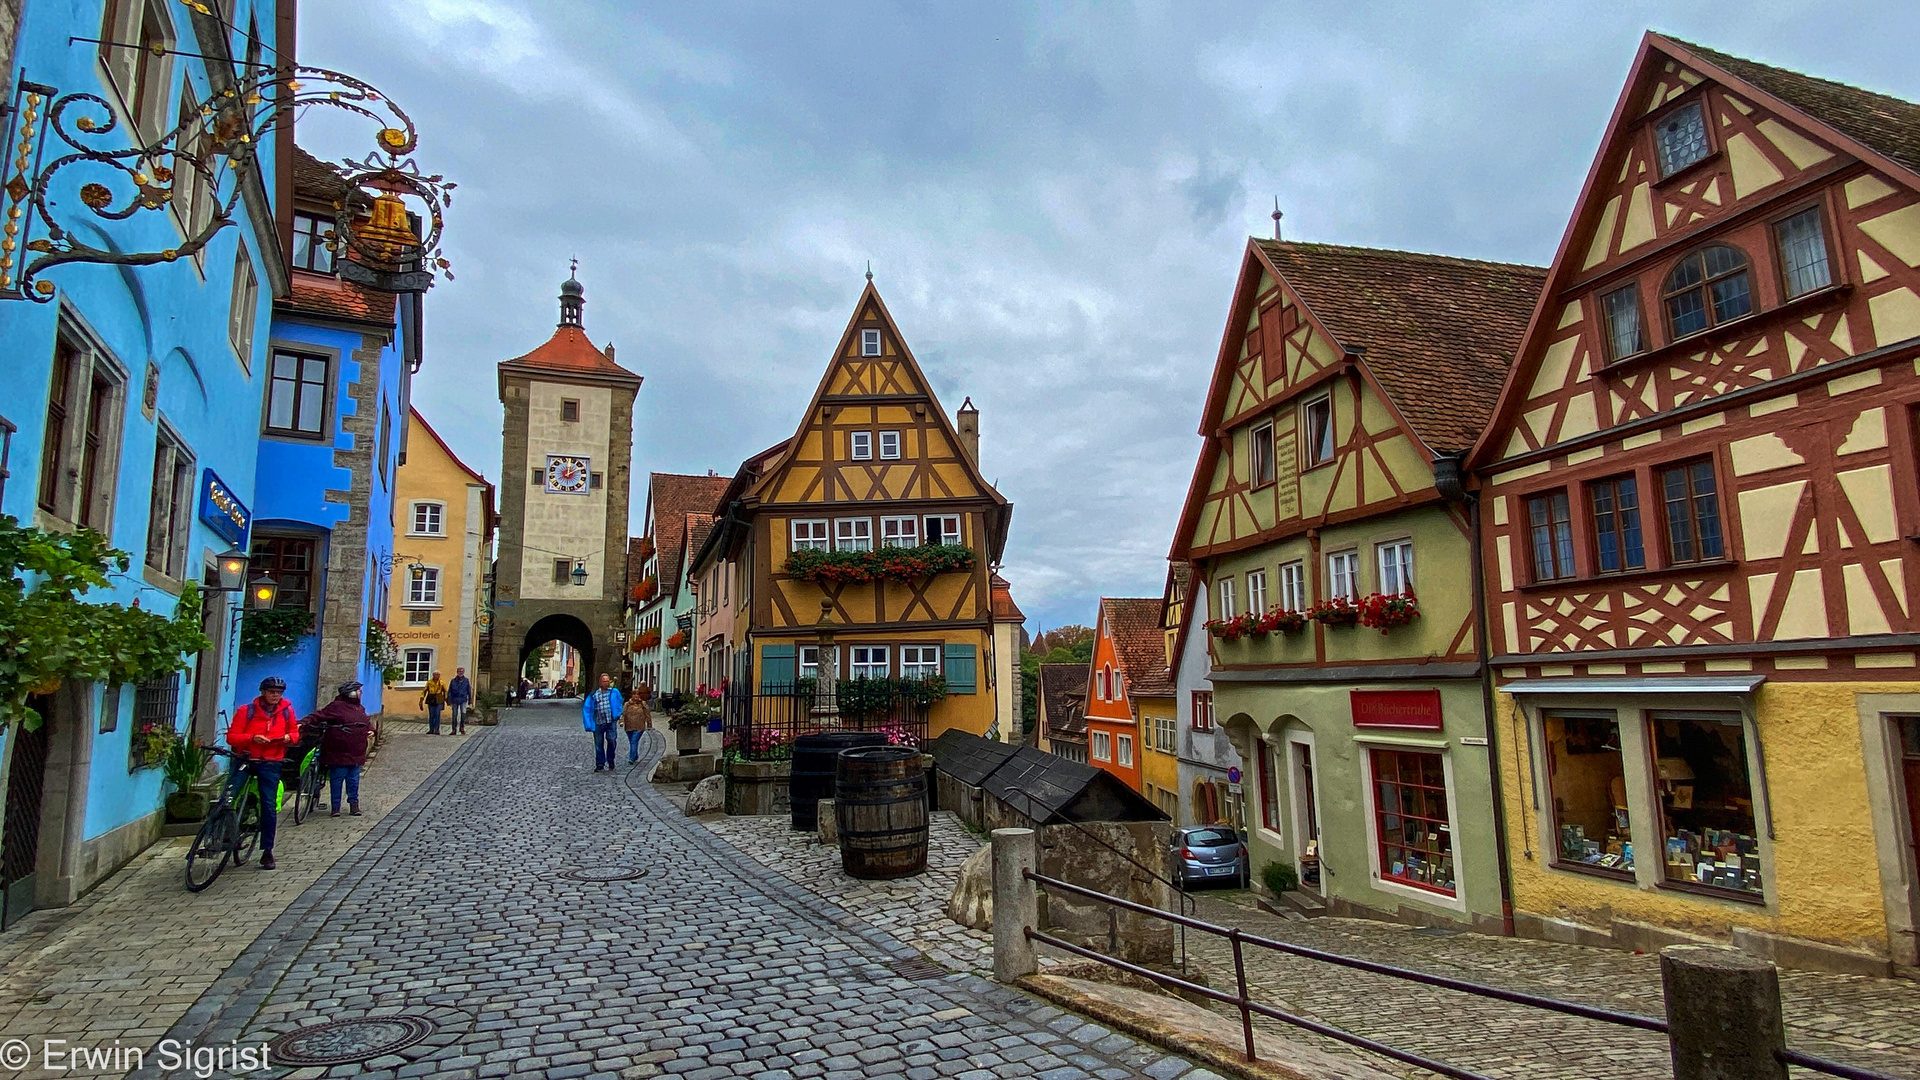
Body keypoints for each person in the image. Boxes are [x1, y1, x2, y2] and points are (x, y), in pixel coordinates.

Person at [227, 676, 299, 870]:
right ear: (263, 692)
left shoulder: (287, 711)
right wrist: (252, 738)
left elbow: (294, 734)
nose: (275, 695)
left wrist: (286, 738)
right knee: (227, 798)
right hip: (246, 758)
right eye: (271, 692)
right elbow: (232, 736)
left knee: (268, 806)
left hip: (271, 762)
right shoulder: (246, 711)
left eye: (279, 693)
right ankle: (220, 834)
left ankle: (267, 851)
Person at [309, 680, 373, 816]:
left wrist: (371, 730)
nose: (360, 693)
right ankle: (335, 807)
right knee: (337, 779)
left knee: (353, 780)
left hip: (356, 750)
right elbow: (318, 716)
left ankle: (354, 805)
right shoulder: (336, 707)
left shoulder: (359, 708)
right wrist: (302, 724)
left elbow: (366, 722)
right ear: (352, 693)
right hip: (338, 751)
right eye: (358, 691)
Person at [581, 673, 624, 772]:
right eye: (604, 681)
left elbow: (619, 702)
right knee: (598, 745)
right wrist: (588, 723)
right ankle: (600, 763)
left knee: (612, 741)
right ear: (600, 682)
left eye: (608, 681)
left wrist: (618, 713)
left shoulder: (614, 692)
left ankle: (610, 760)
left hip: (611, 721)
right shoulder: (594, 695)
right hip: (598, 722)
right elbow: (587, 709)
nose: (607, 683)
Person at [622, 685, 654, 766]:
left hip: (639, 726)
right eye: (634, 694)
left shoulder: (643, 704)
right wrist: (621, 721)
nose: (636, 696)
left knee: (634, 741)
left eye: (637, 694)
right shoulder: (627, 704)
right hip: (629, 726)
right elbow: (623, 714)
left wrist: (649, 724)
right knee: (632, 742)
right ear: (631, 695)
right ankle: (635, 756)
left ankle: (631, 758)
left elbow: (647, 714)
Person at [447, 667, 473, 735]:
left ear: (463, 672)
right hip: (455, 699)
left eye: (461, 671)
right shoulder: (453, 681)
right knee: (454, 715)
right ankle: (454, 729)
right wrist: (449, 700)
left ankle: (462, 727)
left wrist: (470, 700)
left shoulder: (466, 680)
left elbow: (469, 690)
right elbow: (450, 691)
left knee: (463, 714)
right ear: (457, 672)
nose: (460, 673)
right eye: (459, 671)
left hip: (463, 699)